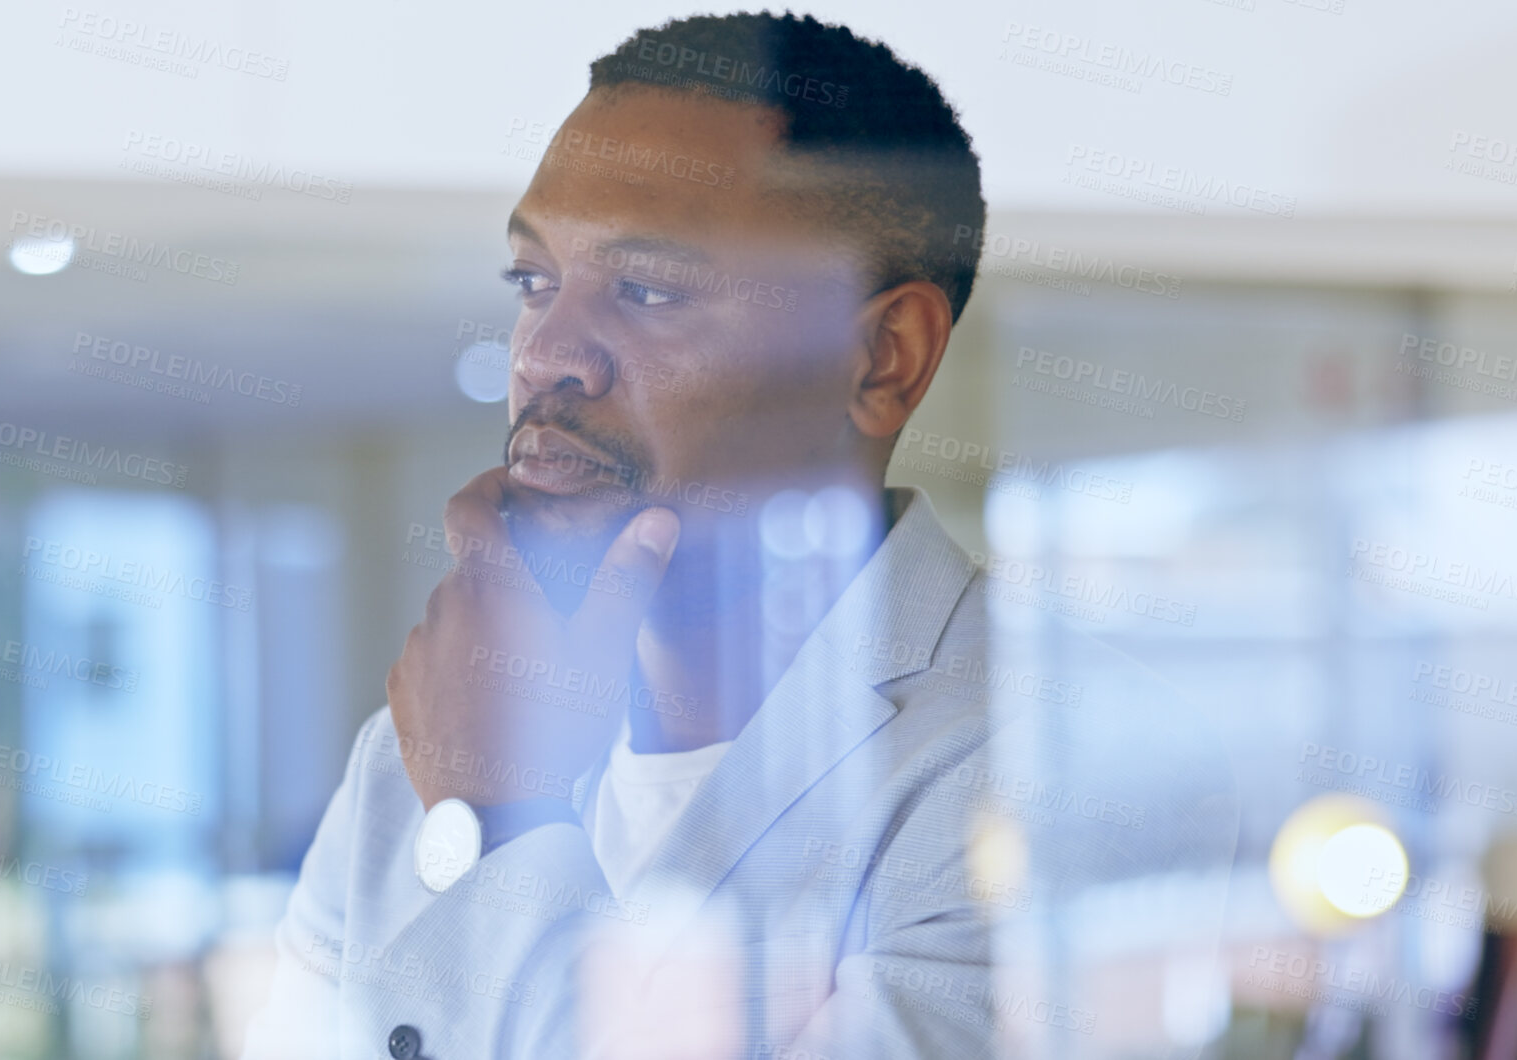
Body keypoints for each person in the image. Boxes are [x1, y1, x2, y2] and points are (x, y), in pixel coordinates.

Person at [244, 12, 1234, 1058]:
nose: (547, 356)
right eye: (534, 283)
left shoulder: (1063, 769)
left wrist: (502, 820)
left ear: (881, 359)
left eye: (646, 289)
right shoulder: (421, 746)